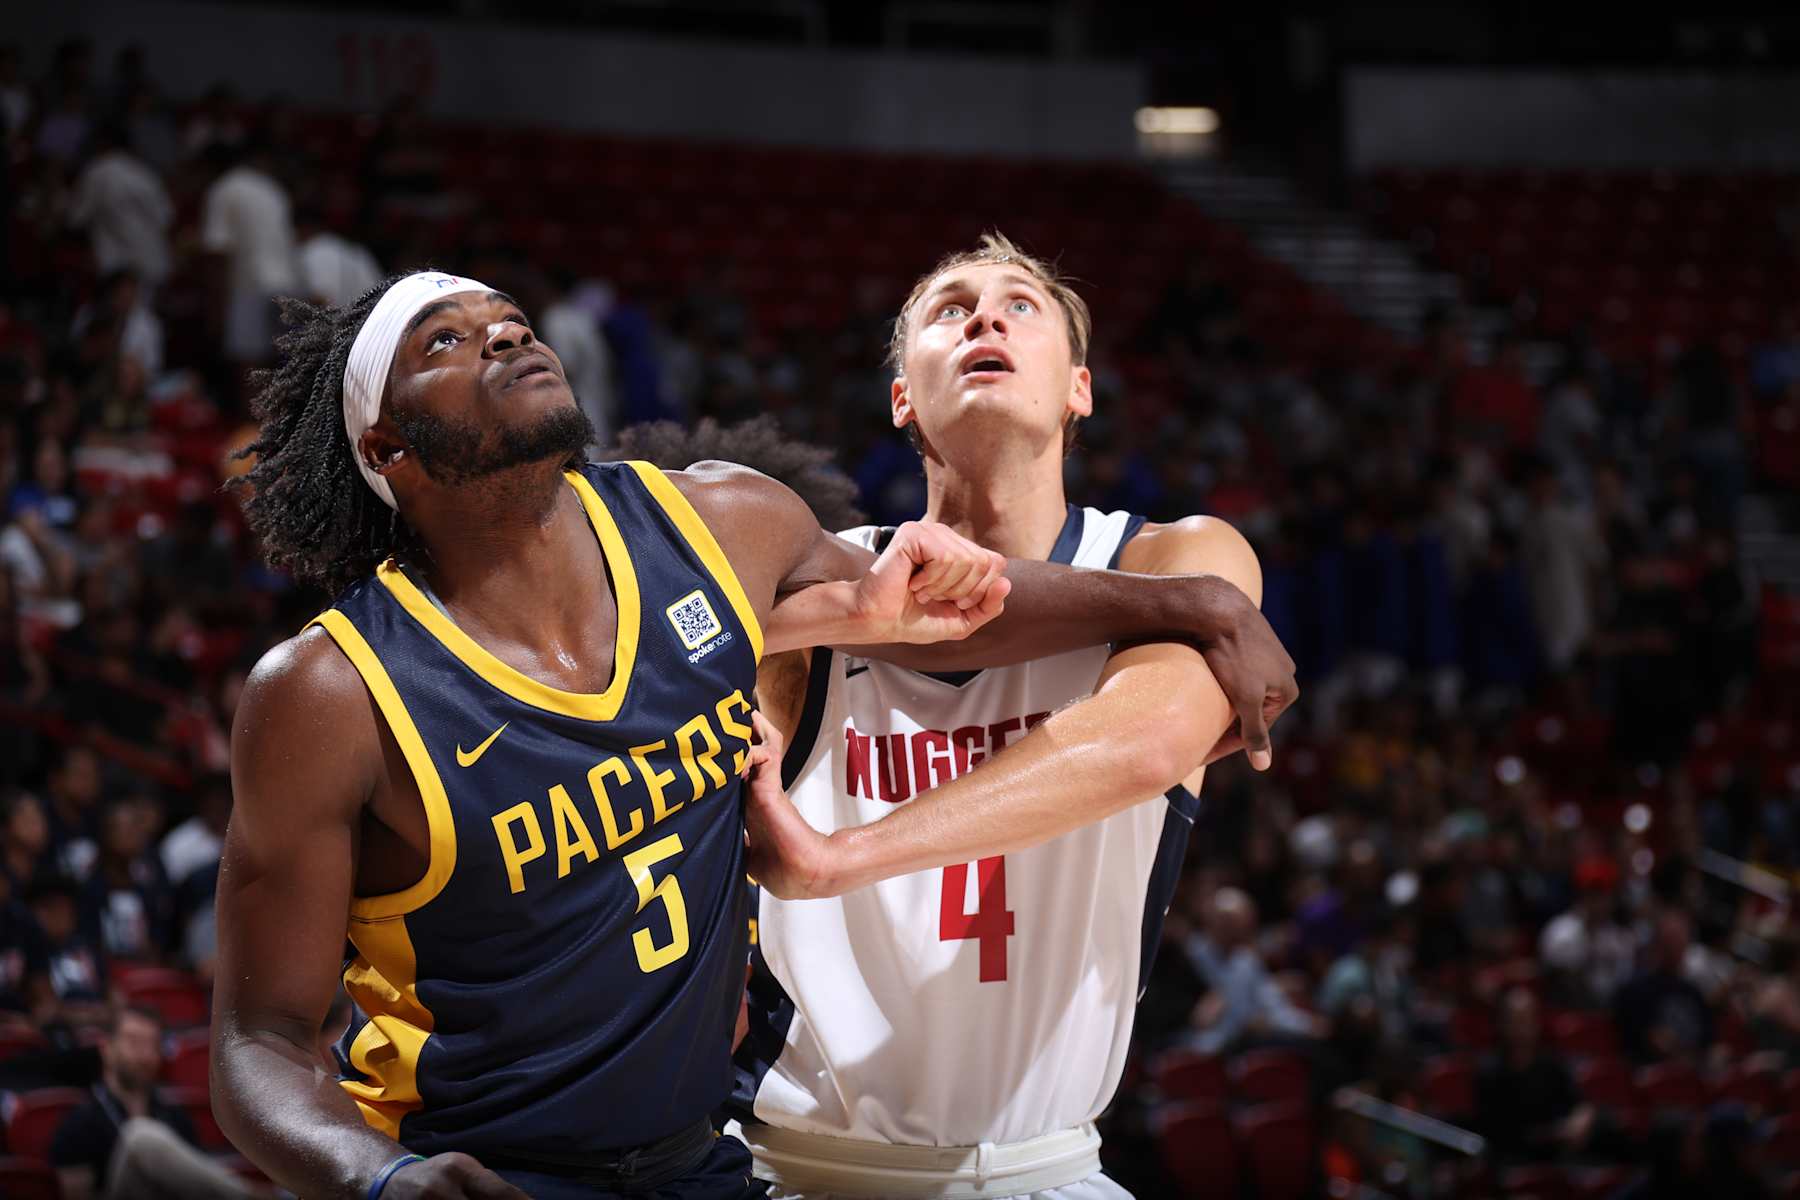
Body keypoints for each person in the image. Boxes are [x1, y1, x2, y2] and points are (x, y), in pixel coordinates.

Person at [211, 271, 1296, 1200]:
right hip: (485, 1166)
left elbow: (922, 614)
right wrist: (377, 1179)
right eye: (444, 340)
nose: (503, 335)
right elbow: (257, 1042)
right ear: (386, 444)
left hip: (702, 1165)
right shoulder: (327, 692)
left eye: (512, 321)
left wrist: (1188, 604)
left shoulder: (722, 520)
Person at [729, 233, 1299, 1199]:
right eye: (949, 309)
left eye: (1021, 305)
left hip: (1051, 1169)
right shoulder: (810, 574)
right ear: (902, 396)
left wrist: (835, 861)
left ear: (1079, 388)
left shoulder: (1179, 557)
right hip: (805, 1168)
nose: (986, 317)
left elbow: (1146, 741)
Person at [50, 1004, 265, 1200]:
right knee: (141, 1135)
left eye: (152, 1045)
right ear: (106, 1048)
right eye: (134, 1042)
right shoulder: (79, 1123)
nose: (144, 1055)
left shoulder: (174, 1116)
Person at [1472, 988, 1596, 1164]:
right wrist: (1552, 1133)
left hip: (1555, 1159)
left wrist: (1581, 1118)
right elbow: (1500, 1134)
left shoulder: (1551, 1065)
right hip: (1512, 1162)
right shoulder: (1489, 1073)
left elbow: (1579, 1103)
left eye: (1527, 1020)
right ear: (1501, 1024)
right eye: (1515, 1020)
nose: (1522, 1028)